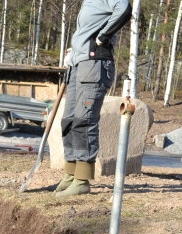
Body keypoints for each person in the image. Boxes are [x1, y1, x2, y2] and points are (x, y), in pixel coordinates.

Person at [55, 0, 133, 198]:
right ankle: (70, 174)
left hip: (94, 64)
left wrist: (103, 37)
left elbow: (124, 9)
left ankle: (82, 180)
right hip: (78, 64)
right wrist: (74, 53)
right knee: (69, 120)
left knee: (84, 120)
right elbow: (87, 29)